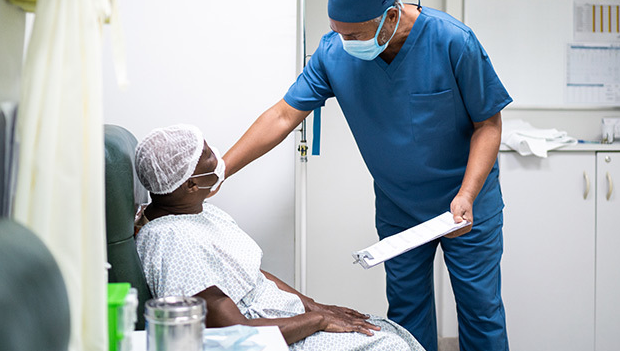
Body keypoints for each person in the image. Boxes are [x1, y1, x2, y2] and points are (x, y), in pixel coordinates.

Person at [217, 0, 512, 350]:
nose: (345, 42)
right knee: (407, 313)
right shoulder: (333, 52)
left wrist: (468, 194)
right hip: (399, 205)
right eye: (338, 31)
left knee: (480, 311)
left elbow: (488, 122)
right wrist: (220, 169)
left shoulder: (452, 40)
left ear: (391, 15)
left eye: (354, 34)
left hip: (467, 200)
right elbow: (282, 116)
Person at [133, 124, 424, 351]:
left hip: (283, 317)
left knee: (385, 330)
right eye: (208, 155)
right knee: (388, 345)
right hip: (264, 338)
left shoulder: (197, 212)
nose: (218, 157)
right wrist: (317, 320)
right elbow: (235, 333)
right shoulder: (170, 240)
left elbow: (251, 275)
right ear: (192, 184)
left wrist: (313, 305)